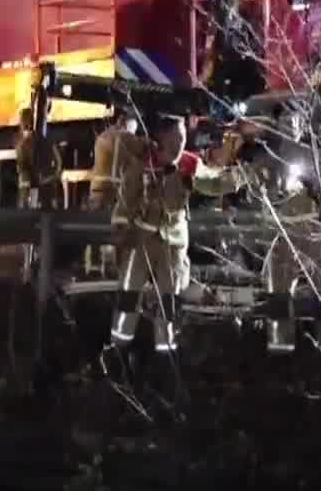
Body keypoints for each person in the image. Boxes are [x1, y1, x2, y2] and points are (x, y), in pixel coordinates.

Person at [106, 113, 246, 353]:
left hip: (173, 241)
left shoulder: (189, 165)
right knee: (129, 292)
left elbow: (213, 183)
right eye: (174, 138)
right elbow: (127, 200)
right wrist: (120, 227)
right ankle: (119, 344)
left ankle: (165, 348)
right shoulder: (143, 164)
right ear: (161, 139)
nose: (180, 143)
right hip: (142, 239)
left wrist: (241, 177)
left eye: (182, 138)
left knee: (168, 298)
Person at [246, 101, 321, 358]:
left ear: (303, 122)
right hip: (285, 232)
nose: (288, 125)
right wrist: (257, 189)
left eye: (293, 119)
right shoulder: (270, 151)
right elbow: (252, 180)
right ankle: (280, 350)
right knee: (277, 293)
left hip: (316, 229)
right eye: (283, 120)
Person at [85, 110, 139, 275]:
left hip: (97, 189)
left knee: (95, 230)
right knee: (120, 228)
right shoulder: (126, 137)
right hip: (116, 191)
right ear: (126, 123)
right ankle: (117, 267)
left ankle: (93, 266)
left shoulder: (102, 137)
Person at [13, 106, 62, 209]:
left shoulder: (20, 141)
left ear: (21, 122)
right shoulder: (41, 138)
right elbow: (57, 159)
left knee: (28, 210)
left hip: (28, 183)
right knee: (38, 209)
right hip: (41, 182)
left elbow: (22, 164)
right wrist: (53, 174)